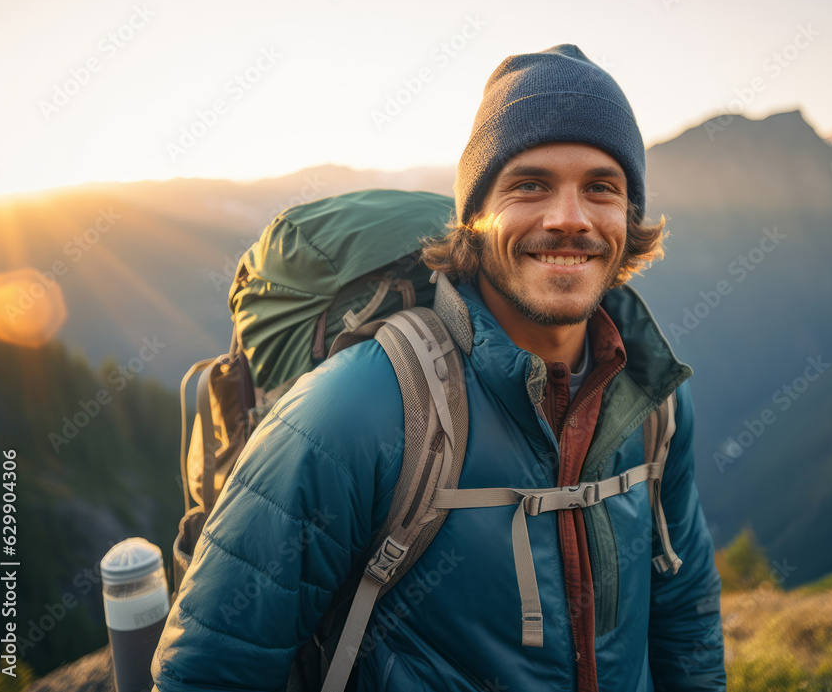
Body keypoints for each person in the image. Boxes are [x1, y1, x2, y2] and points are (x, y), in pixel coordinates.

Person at [152, 44, 725, 691]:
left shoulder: (653, 399)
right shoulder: (354, 410)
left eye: (602, 188)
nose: (570, 218)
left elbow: (686, 615)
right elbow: (211, 672)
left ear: (630, 216)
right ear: (474, 219)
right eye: (529, 184)